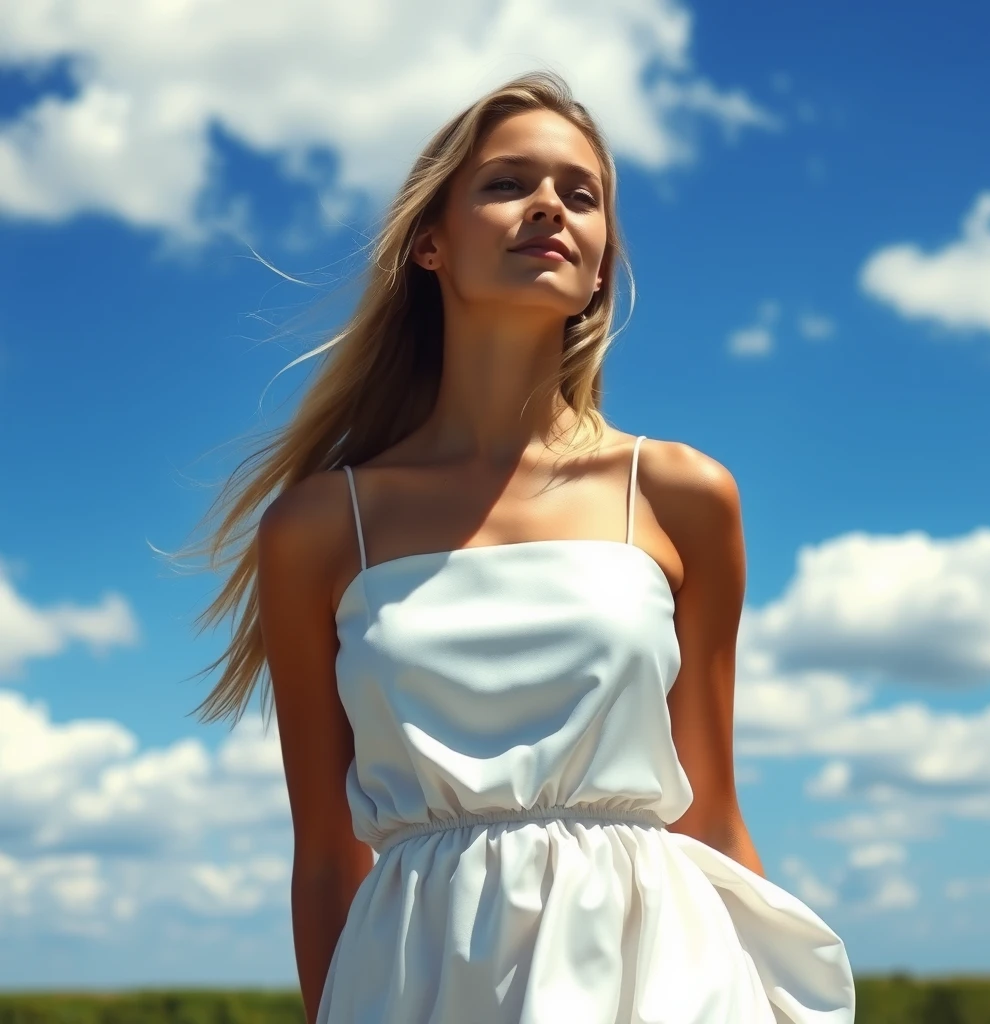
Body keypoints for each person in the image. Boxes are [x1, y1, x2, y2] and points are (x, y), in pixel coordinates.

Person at [185, 71, 856, 1022]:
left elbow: (708, 812)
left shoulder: (678, 495)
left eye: (581, 195)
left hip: (655, 969)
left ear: (596, 266)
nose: (549, 205)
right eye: (507, 183)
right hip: (417, 977)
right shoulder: (320, 529)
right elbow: (329, 857)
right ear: (430, 244)